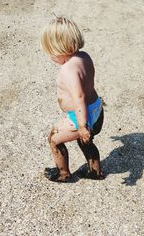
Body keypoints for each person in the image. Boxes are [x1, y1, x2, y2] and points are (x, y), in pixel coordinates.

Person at [41, 15, 104, 182]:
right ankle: (95, 171)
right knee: (85, 142)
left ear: (59, 48)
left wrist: (82, 126)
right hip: (96, 108)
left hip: (81, 117)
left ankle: (63, 174)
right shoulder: (84, 57)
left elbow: (79, 97)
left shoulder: (68, 70)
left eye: (51, 53)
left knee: (54, 138)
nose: (51, 58)